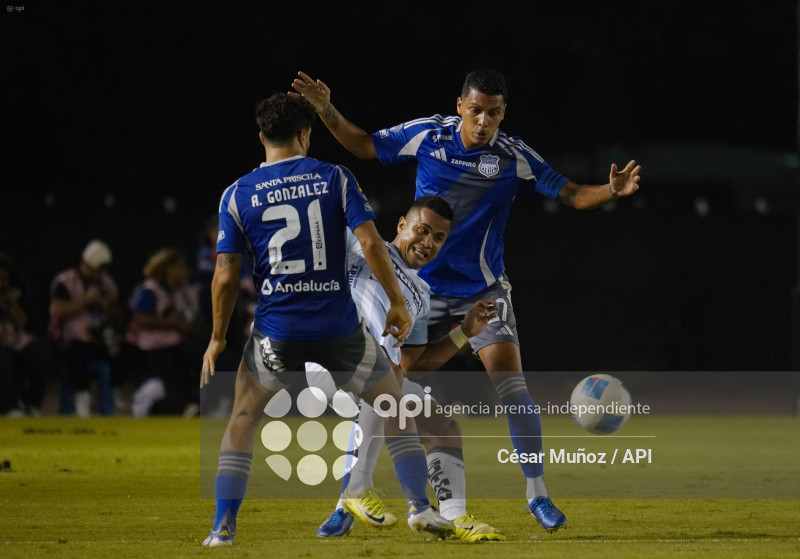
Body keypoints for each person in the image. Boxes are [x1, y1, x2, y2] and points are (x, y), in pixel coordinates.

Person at [291, 68, 642, 533]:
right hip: (415, 288)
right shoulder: (427, 136)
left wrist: (610, 192)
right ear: (460, 106)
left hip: (482, 291)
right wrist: (326, 110)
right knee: (384, 390)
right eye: (476, 110)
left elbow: (572, 193)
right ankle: (347, 500)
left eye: (493, 113)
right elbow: (366, 145)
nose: (484, 121)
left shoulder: (512, 156)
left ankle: (536, 496)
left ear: (502, 114)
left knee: (513, 391)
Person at [200, 92, 454, 546]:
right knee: (393, 401)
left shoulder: (236, 194)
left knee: (242, 418)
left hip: (276, 331)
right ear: (305, 135)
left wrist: (217, 338)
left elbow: (224, 276)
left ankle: (222, 529)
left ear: (262, 137)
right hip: (338, 330)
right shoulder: (334, 177)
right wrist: (397, 302)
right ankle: (417, 504)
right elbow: (374, 245)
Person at [307, 195, 503, 542]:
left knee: (442, 427)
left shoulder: (422, 294)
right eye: (422, 231)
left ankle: (454, 518)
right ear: (401, 225)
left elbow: (413, 364)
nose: (427, 243)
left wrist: (464, 332)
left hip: (377, 378)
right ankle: (353, 492)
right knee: (384, 376)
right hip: (327, 357)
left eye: (438, 238)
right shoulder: (363, 246)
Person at [126, 248, 203, 418]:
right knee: (172, 378)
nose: (183, 271)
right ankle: (177, 407)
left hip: (175, 345)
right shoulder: (150, 290)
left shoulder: (178, 291)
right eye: (179, 267)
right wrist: (172, 323)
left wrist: (187, 325)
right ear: (167, 268)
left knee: (200, 358)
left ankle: (191, 403)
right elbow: (140, 319)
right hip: (153, 348)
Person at [49, 240, 119, 417]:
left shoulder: (107, 284)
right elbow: (57, 311)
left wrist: (106, 307)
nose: (99, 274)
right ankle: (82, 395)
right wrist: (85, 302)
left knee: (124, 351)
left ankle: (110, 399)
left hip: (98, 339)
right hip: (69, 339)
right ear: (85, 264)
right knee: (74, 352)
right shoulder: (65, 282)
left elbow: (117, 314)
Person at [0, 252, 50, 416]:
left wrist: (10, 303)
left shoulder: (13, 292)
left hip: (14, 340)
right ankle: (8, 407)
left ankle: (31, 404)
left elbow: (22, 322)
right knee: (3, 358)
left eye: (4, 271)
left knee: (40, 354)